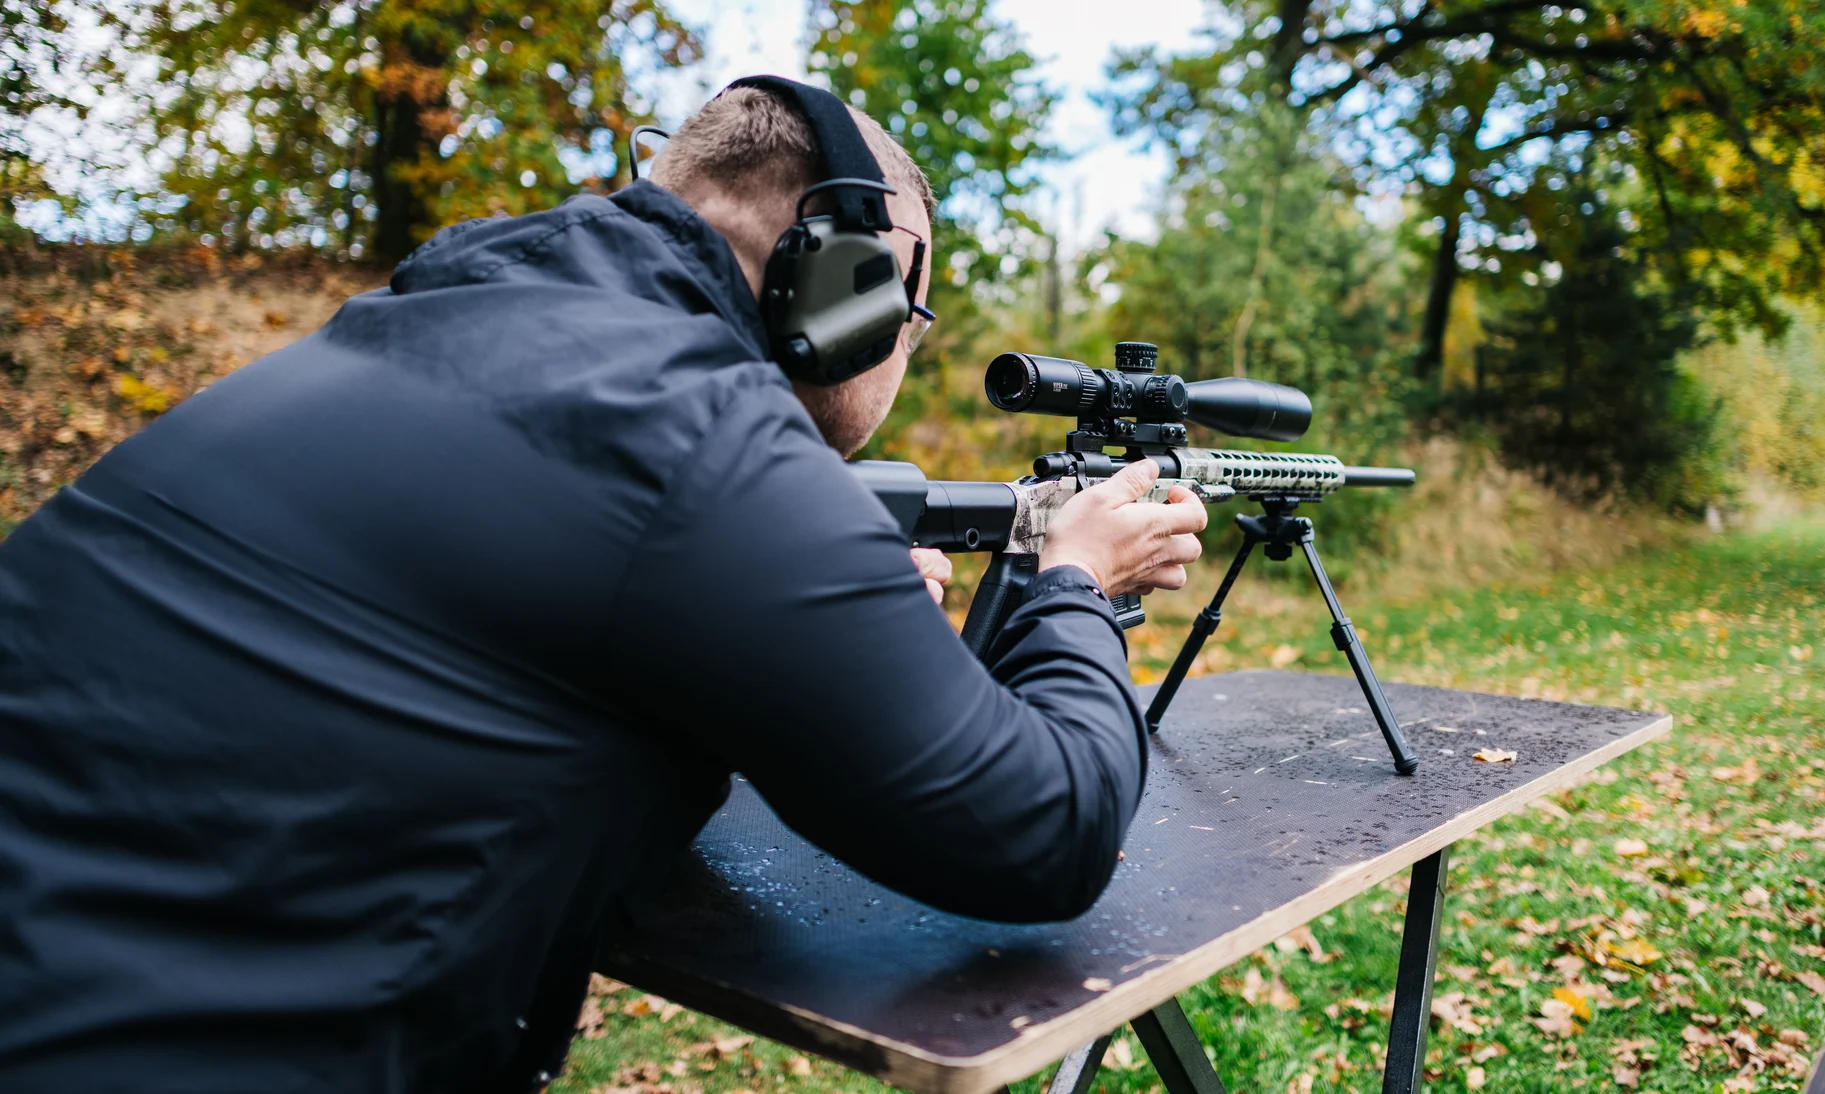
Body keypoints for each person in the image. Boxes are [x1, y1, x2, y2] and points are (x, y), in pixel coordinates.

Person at [0, 77, 1207, 1093]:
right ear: (843, 287)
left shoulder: (391, 328)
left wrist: (788, 618)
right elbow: (1043, 830)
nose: (903, 339)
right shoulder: (699, 430)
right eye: (908, 307)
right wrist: (1075, 578)